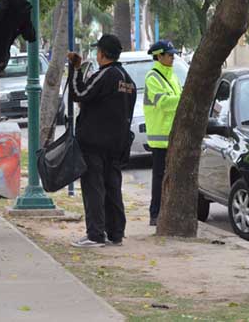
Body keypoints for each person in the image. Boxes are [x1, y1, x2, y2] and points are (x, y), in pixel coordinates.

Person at [67, 34, 137, 248]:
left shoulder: (105, 74)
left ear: (102, 54)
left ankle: (95, 234)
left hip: (94, 143)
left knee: (94, 188)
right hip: (117, 144)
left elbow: (78, 93)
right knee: (113, 187)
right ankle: (116, 233)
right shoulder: (128, 80)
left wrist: (76, 70)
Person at [144, 40, 182, 226]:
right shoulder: (153, 77)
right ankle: (155, 213)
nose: (172, 57)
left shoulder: (172, 76)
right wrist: (184, 98)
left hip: (173, 136)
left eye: (173, 54)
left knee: (171, 177)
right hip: (160, 138)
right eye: (169, 55)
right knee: (159, 178)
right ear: (159, 56)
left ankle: (165, 212)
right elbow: (164, 103)